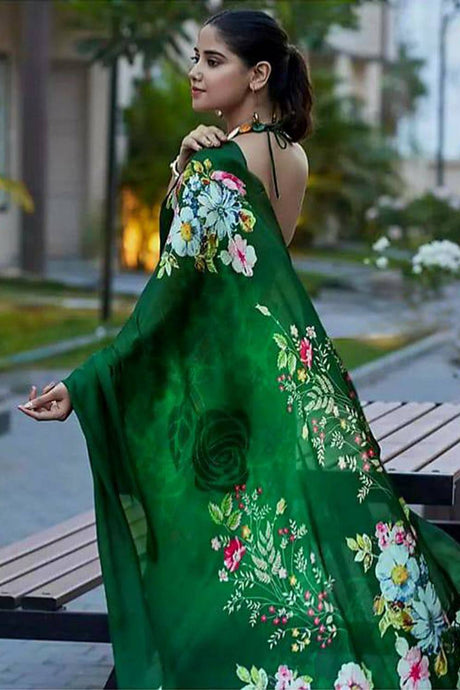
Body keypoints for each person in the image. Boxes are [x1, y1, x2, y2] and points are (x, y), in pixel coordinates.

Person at [17, 8, 460, 690]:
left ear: (257, 75)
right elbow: (255, 274)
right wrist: (186, 168)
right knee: (305, 544)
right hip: (291, 382)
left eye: (212, 60)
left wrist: (84, 383)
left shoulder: (217, 166)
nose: (194, 72)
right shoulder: (293, 157)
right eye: (195, 58)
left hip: (225, 397)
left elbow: (172, 297)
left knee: (223, 552)